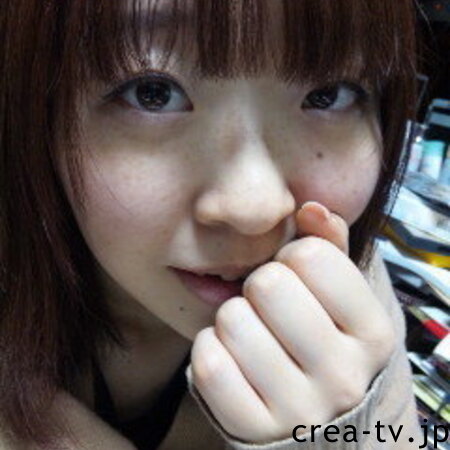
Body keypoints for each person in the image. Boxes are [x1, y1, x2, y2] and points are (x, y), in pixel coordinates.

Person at [0, 0, 422, 448]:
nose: (255, 209)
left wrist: (335, 437)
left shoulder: (343, 291)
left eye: (328, 95)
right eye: (152, 93)